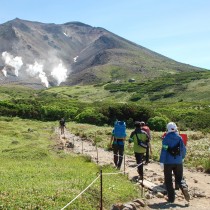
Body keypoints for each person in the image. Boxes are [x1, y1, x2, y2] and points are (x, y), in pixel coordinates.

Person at [160, 122, 190, 203]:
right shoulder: (179, 138)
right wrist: (182, 158)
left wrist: (161, 162)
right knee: (180, 178)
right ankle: (184, 188)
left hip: (168, 162)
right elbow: (183, 150)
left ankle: (171, 198)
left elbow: (164, 150)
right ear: (175, 128)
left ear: (168, 128)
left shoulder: (166, 138)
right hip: (178, 161)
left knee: (168, 180)